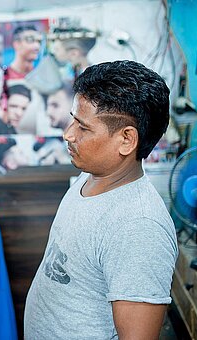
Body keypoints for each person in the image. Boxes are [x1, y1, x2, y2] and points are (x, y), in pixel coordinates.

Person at [24, 60, 177, 339]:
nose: (68, 134)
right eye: (73, 119)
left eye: (83, 127)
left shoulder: (139, 227)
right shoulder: (92, 175)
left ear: (126, 140)